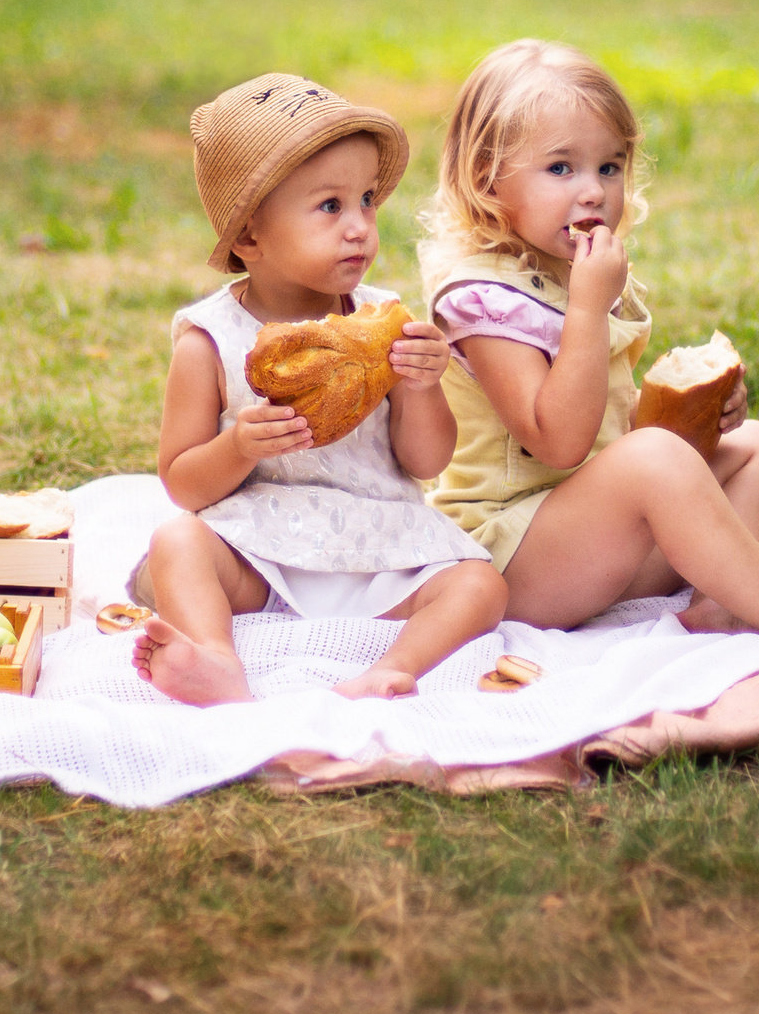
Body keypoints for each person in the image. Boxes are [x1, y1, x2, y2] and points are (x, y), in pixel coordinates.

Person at [418, 39, 759, 636]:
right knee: (655, 462)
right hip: (511, 558)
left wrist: (694, 413)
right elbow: (558, 441)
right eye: (560, 168)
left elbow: (610, 423)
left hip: (590, 538)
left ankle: (724, 605)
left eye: (608, 167)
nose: (592, 192)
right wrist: (589, 307)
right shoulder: (483, 301)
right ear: (487, 178)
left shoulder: (575, 276)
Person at [133, 73, 506, 705]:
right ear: (250, 236)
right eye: (330, 207)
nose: (359, 226)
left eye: (366, 201)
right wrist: (239, 447)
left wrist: (420, 385)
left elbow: (427, 462)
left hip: (380, 547)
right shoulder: (210, 341)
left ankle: (392, 668)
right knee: (175, 542)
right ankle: (217, 660)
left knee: (480, 585)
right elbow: (181, 482)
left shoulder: (384, 318)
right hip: (259, 552)